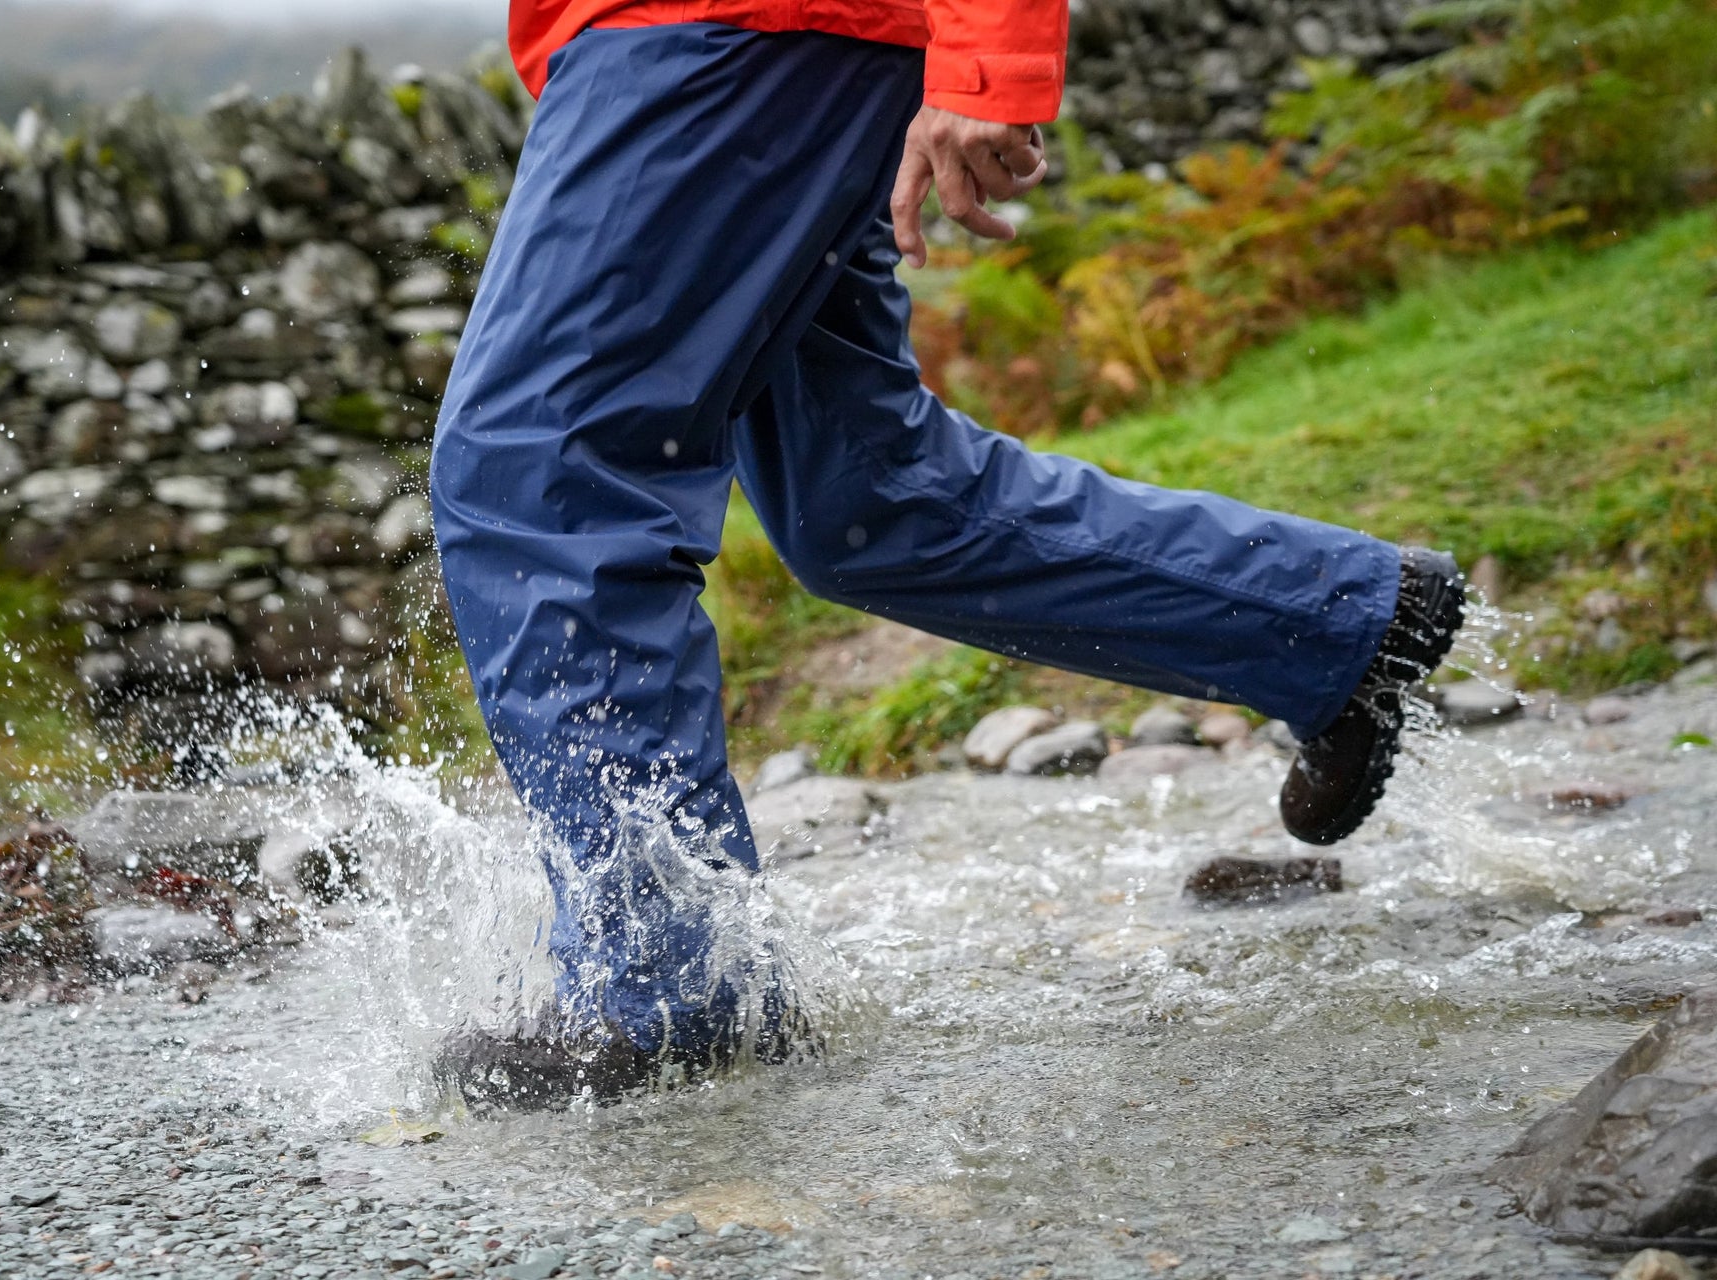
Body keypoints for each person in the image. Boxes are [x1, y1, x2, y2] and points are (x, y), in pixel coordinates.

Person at [427, 0, 1466, 1109]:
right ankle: (1335, 620)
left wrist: (991, 58)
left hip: (722, 41)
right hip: (729, 50)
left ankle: (671, 999)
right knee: (869, 498)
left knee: (541, 478)